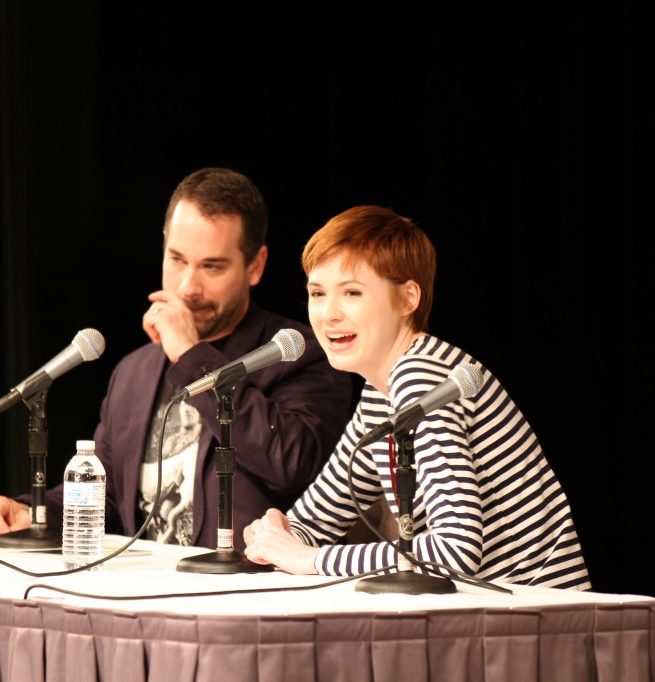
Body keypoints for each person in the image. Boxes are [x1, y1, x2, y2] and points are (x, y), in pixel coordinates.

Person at [0, 167, 354, 551]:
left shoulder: (298, 351)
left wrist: (191, 357)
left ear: (255, 266)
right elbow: (110, 498)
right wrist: (34, 512)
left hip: (246, 592)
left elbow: (294, 465)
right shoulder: (134, 371)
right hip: (147, 588)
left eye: (212, 266)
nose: (188, 286)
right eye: (176, 260)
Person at [242, 205, 591, 590]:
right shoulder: (381, 389)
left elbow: (454, 550)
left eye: (352, 292)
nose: (328, 314)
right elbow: (315, 519)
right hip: (492, 616)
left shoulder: (421, 377)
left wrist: (310, 558)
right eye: (318, 293)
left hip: (539, 618)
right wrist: (276, 531)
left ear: (408, 299)